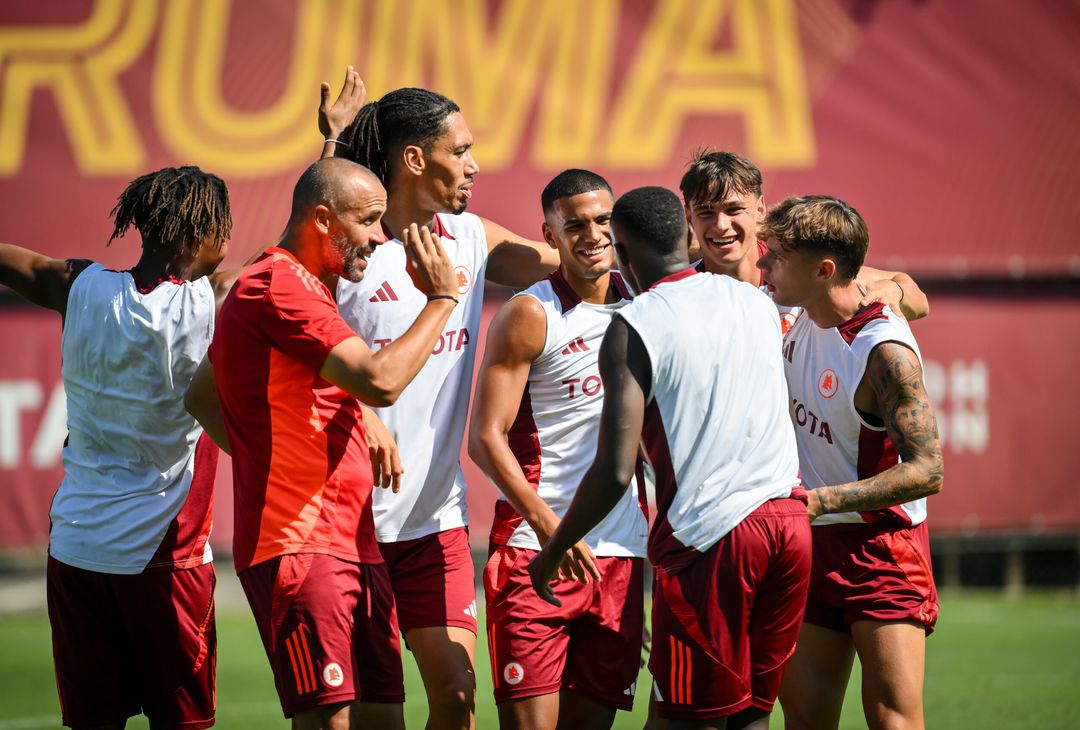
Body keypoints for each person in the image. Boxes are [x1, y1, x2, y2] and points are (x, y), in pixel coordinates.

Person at [317, 69, 562, 729]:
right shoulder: (347, 254)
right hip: (349, 523)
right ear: (415, 158)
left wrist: (688, 253)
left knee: (456, 699)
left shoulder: (472, 238)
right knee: (372, 717)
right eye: (462, 150)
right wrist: (362, 411)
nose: (474, 165)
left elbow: (572, 262)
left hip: (433, 518)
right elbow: (296, 346)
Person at [184, 157, 460, 730]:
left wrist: (275, 441)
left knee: (383, 717)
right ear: (323, 220)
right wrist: (441, 299)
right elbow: (379, 381)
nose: (379, 237)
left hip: (354, 543)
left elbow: (204, 397)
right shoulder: (278, 286)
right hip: (301, 544)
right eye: (368, 221)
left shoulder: (296, 281)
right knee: (328, 722)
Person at [529, 186, 812, 730]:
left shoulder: (633, 324)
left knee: (686, 718)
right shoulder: (755, 299)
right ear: (687, 236)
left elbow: (614, 472)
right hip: (790, 526)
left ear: (623, 253)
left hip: (713, 540)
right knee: (751, 713)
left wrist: (553, 551)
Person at [0, 166, 233, 729]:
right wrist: (336, 141)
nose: (228, 243)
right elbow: (300, 253)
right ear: (193, 234)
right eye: (221, 228)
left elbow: (10, 258)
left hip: (78, 550)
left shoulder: (77, 286)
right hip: (165, 561)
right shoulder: (215, 299)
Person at [468, 169, 648, 729]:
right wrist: (550, 526)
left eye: (602, 221)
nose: (593, 235)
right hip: (535, 551)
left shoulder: (647, 305)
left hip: (621, 554)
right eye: (575, 225)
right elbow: (484, 438)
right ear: (549, 234)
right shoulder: (531, 312)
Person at [756, 196, 943, 730]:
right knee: (806, 720)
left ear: (823, 269)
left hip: (882, 547)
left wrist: (816, 501)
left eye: (777, 257)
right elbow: (902, 282)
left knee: (892, 719)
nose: (763, 267)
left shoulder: (883, 349)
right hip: (809, 546)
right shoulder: (796, 306)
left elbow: (927, 469)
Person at [679, 149, 929, 328]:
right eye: (705, 213)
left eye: (734, 210)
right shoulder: (678, 294)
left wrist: (895, 291)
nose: (721, 225)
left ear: (760, 209)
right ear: (690, 217)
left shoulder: (795, 266)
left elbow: (917, 300)